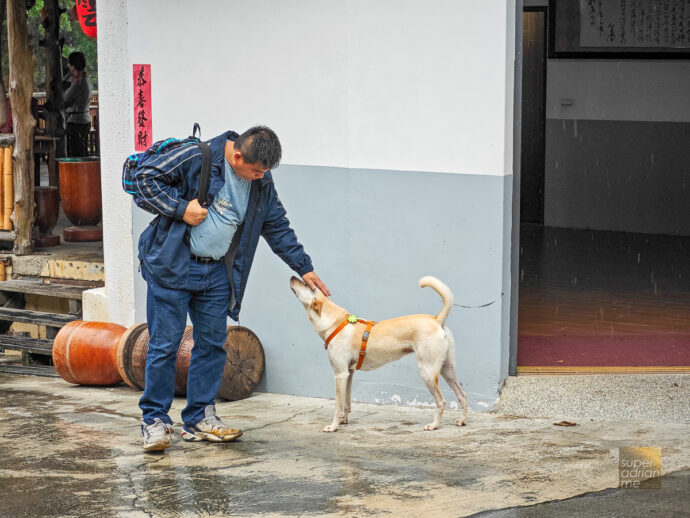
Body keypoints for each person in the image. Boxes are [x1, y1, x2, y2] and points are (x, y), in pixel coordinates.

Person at [131, 126, 330, 451]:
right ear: (237, 155)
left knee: (212, 344)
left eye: (264, 172)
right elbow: (144, 178)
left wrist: (304, 267)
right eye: (255, 170)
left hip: (217, 273)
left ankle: (198, 418)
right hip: (173, 265)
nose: (260, 177)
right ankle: (154, 420)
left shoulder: (261, 181)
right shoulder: (197, 156)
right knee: (165, 344)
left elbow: (276, 224)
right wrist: (181, 209)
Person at [63, 52, 92, 157]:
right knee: (81, 151)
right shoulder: (86, 79)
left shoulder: (78, 83)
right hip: (83, 120)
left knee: (77, 154)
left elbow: (64, 98)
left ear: (74, 66)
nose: (67, 66)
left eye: (69, 64)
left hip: (77, 123)